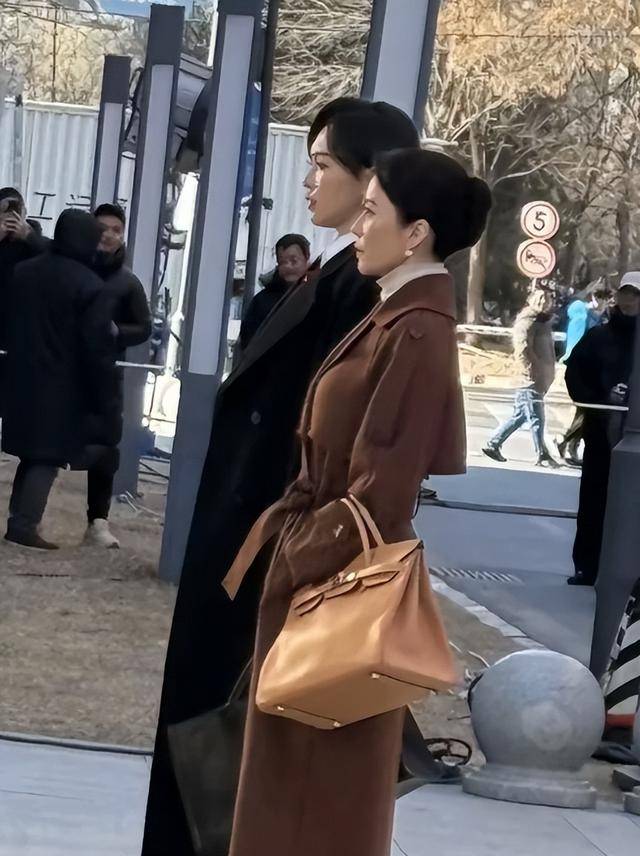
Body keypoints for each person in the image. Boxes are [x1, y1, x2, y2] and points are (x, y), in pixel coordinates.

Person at [141, 98, 422, 856]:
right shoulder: (337, 273)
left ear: (372, 179)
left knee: (237, 744)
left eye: (323, 165)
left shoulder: (372, 289)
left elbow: (359, 447)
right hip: (251, 534)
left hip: (278, 544)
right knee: (212, 734)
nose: (308, 181)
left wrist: (301, 549)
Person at [225, 147, 491, 856]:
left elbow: (382, 489)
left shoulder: (418, 328)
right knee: (300, 780)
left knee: (316, 790)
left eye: (373, 212)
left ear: (416, 233)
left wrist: (299, 559)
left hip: (342, 584)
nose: (358, 227)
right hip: (325, 571)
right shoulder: (396, 313)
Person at [2, 210, 115, 550]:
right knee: (47, 456)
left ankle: (18, 521)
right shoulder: (90, 285)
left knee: (30, 452)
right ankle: (24, 525)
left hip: (20, 373)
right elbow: (95, 347)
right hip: (63, 383)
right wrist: (104, 396)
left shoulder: (24, 272)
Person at [565, 272, 640, 586]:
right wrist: (596, 401)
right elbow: (575, 373)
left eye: (636, 295)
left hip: (636, 438)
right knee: (595, 499)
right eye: (626, 293)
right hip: (601, 433)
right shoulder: (598, 337)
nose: (629, 300)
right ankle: (587, 566)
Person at [86, 203, 151, 549]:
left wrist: (117, 332)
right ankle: (27, 519)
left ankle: (97, 522)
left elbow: (144, 327)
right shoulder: (71, 267)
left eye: (116, 230)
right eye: (102, 228)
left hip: (105, 377)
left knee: (105, 448)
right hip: (61, 372)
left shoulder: (128, 282)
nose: (108, 235)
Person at [482, 286, 559, 467]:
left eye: (546, 299)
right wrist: (531, 370)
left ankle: (493, 444)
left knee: (521, 415)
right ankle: (542, 454)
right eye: (539, 298)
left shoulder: (543, 322)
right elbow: (522, 348)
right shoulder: (527, 321)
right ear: (530, 301)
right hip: (529, 377)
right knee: (537, 417)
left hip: (541, 378)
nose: (543, 302)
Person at [0, 188, 47, 413]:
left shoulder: (36, 241)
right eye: (5, 210)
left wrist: (29, 237)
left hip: (23, 333)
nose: (11, 216)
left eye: (16, 209)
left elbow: (58, 262)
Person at [555, 282, 609, 465]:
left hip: (597, 370)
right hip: (582, 369)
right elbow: (577, 343)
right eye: (600, 298)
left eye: (606, 299)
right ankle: (565, 442)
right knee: (587, 411)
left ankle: (569, 445)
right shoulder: (583, 316)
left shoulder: (602, 317)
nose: (603, 302)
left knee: (586, 412)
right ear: (593, 298)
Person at [239, 233, 311, 351]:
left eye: (294, 261)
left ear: (306, 257)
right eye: (282, 262)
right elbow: (248, 342)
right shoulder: (262, 301)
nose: (288, 267)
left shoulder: (319, 295)